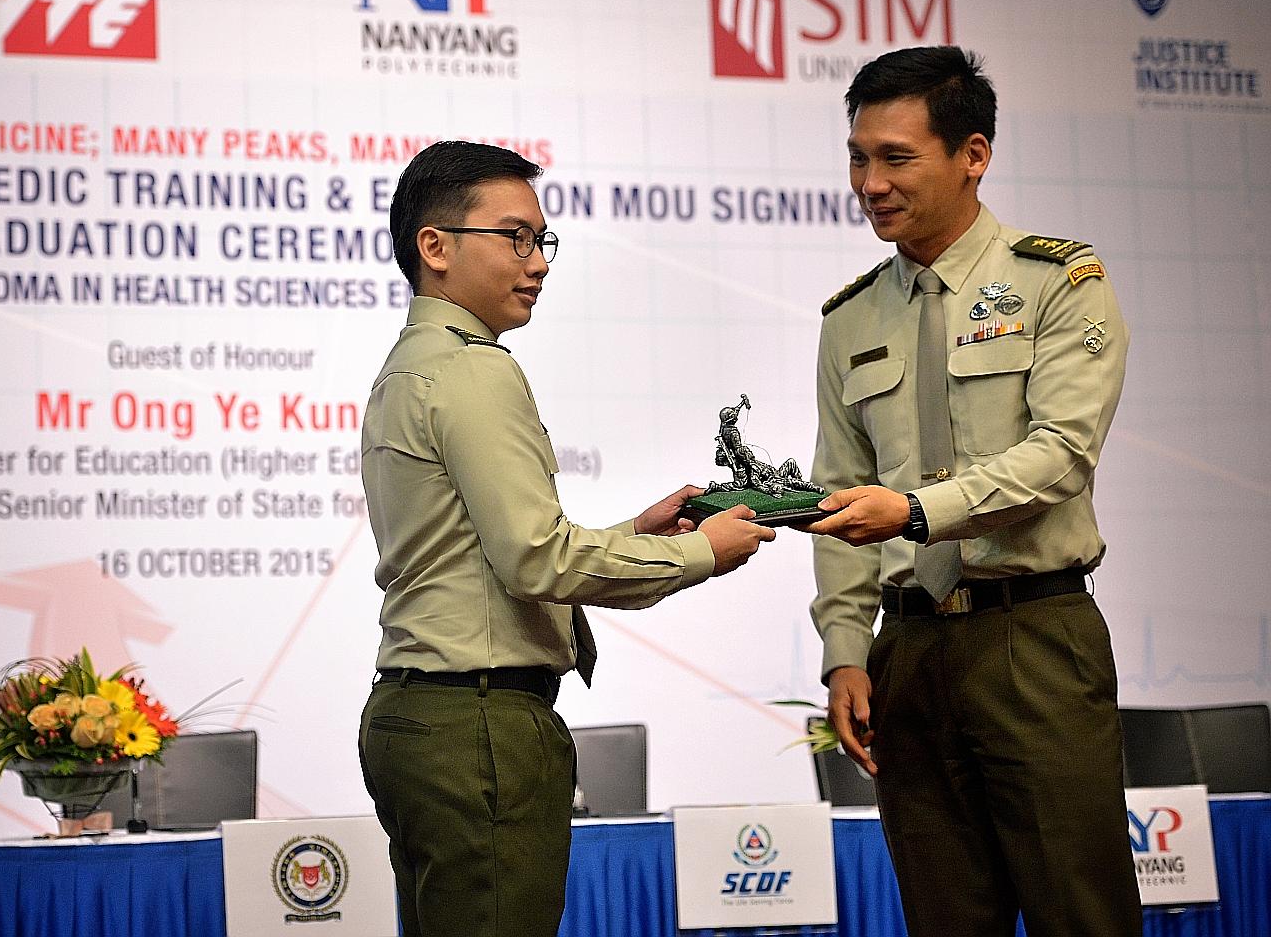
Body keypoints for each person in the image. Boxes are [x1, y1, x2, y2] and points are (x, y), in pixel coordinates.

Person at [358, 140, 774, 937]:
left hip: (418, 719)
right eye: (513, 237)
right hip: (480, 729)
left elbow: (479, 559)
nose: (538, 260)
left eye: (542, 240)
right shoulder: (474, 369)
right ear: (435, 247)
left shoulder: (408, 367)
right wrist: (700, 551)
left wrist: (635, 535)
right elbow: (535, 558)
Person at [805, 47, 1142, 936]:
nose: (870, 183)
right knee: (945, 917)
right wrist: (846, 648)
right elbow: (837, 496)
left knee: (1082, 913)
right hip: (906, 652)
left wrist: (916, 512)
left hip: (1032, 636)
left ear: (974, 155)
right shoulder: (850, 318)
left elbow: (1063, 454)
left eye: (896, 157)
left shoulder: (1057, 282)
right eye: (857, 157)